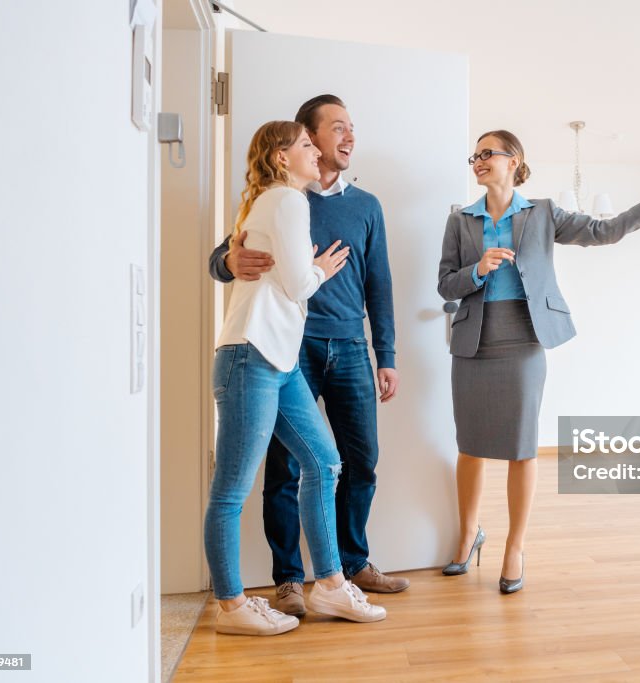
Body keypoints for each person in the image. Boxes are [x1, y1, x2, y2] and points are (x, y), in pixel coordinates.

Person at [437, 129, 640, 593]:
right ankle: (468, 536)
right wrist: (478, 270)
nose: (478, 161)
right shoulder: (460, 219)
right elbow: (446, 284)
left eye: (488, 153)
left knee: (522, 446)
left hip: (524, 338)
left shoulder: (543, 212)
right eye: (474, 155)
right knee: (470, 445)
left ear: (514, 160)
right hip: (473, 341)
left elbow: (604, 232)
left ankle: (515, 547)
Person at [209, 95, 408, 619]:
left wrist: (384, 353)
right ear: (307, 140)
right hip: (282, 347)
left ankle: (345, 569)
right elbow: (229, 254)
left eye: (352, 129)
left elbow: (379, 282)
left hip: (343, 347)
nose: (348, 138)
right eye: (335, 128)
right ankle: (288, 580)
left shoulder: (364, 206)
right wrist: (228, 258)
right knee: (281, 472)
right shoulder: (282, 196)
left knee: (349, 462)